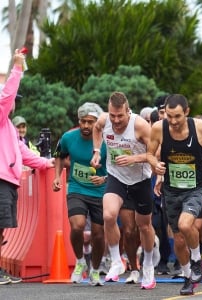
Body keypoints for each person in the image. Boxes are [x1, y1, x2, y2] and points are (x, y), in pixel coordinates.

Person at [146, 94, 202, 295]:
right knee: (178, 239)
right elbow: (149, 154)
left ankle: (197, 261)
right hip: (171, 189)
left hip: (195, 187)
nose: (173, 121)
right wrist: (155, 164)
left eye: (177, 116)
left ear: (186, 112)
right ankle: (189, 276)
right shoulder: (158, 128)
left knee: (185, 224)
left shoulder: (200, 127)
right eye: (169, 116)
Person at [90, 92, 159, 290]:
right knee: (109, 215)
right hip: (116, 176)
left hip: (140, 179)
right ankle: (116, 261)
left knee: (144, 226)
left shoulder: (140, 126)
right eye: (113, 116)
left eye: (120, 116)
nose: (116, 120)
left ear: (128, 111)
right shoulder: (104, 120)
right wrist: (96, 152)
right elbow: (97, 129)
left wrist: (134, 159)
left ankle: (147, 264)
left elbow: (156, 153)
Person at [0, 49, 54, 285]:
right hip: (1, 180)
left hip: (8, 181)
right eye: (13, 101)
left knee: (2, 227)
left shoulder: (8, 126)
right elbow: (6, 96)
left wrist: (46, 163)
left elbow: (22, 153)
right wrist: (17, 67)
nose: (14, 104)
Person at [52, 102, 107, 286]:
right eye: (83, 121)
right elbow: (59, 155)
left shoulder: (106, 140)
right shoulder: (68, 137)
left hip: (100, 191)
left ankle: (96, 270)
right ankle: (80, 261)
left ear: (97, 123)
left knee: (99, 234)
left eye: (90, 122)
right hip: (77, 188)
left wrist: (105, 178)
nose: (86, 126)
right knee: (77, 226)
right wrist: (57, 176)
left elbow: (118, 166)